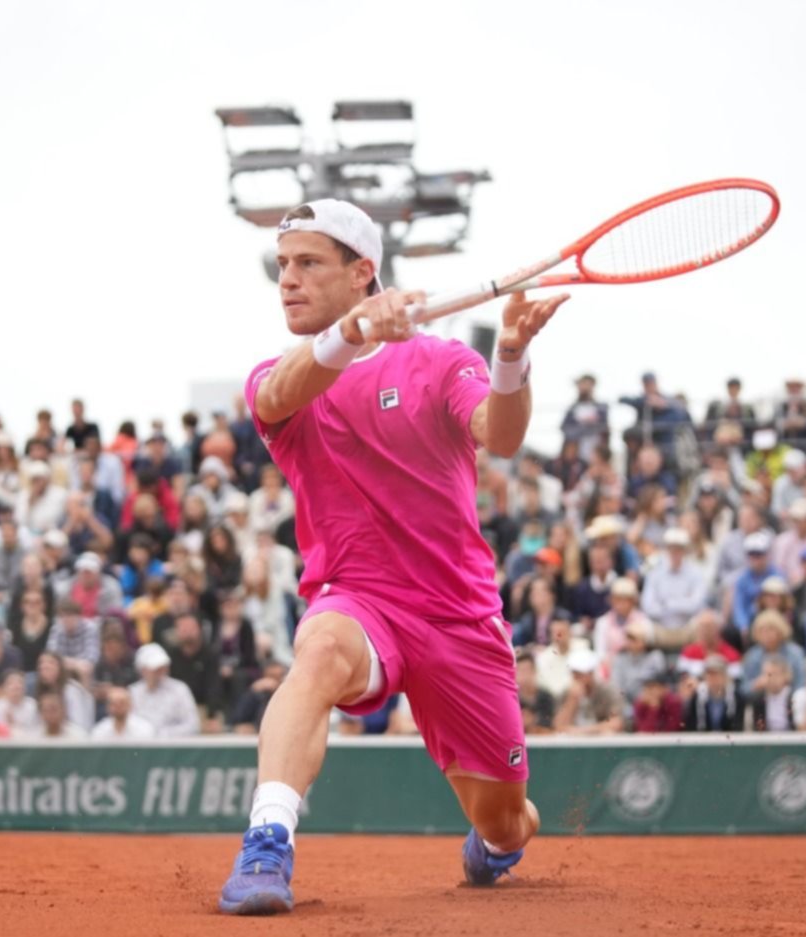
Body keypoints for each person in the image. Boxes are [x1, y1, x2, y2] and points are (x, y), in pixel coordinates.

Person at [219, 200, 571, 915]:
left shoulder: (441, 362)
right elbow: (290, 387)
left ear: (362, 273)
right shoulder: (278, 376)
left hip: (457, 615)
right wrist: (349, 332)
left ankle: (495, 845)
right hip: (357, 599)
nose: (288, 280)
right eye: (284, 265)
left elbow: (498, 434)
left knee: (505, 819)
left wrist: (510, 357)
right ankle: (266, 843)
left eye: (308, 263)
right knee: (317, 650)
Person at [129, 642, 200, 738]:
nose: (160, 671)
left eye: (162, 666)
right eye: (155, 668)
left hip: (174, 748)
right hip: (139, 748)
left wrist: (162, 735)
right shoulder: (133, 692)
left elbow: (193, 725)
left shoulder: (180, 690)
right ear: (143, 670)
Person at [681, 655, 745, 732]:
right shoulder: (697, 697)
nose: (712, 678)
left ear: (725, 675)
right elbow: (692, 725)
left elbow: (737, 725)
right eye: (709, 674)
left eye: (716, 674)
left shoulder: (736, 697)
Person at [93, 684, 158, 741]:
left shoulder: (144, 729)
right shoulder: (99, 731)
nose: (118, 707)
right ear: (107, 707)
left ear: (130, 705)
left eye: (122, 703)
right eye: (114, 703)